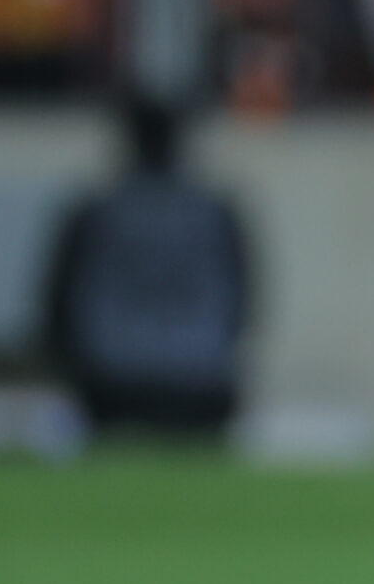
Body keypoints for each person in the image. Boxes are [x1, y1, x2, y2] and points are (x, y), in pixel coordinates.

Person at [45, 99, 253, 434]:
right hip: (201, 386)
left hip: (110, 388)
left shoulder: (95, 210)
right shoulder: (216, 212)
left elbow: (56, 309)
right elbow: (243, 306)